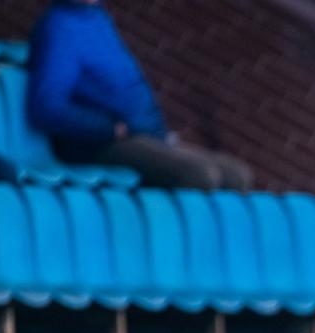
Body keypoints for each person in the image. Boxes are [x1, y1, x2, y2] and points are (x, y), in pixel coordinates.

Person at [26, 0, 252, 190]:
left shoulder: (97, 17)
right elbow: (47, 107)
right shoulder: (60, 27)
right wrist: (107, 128)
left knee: (237, 174)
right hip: (99, 145)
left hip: (145, 136)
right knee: (200, 175)